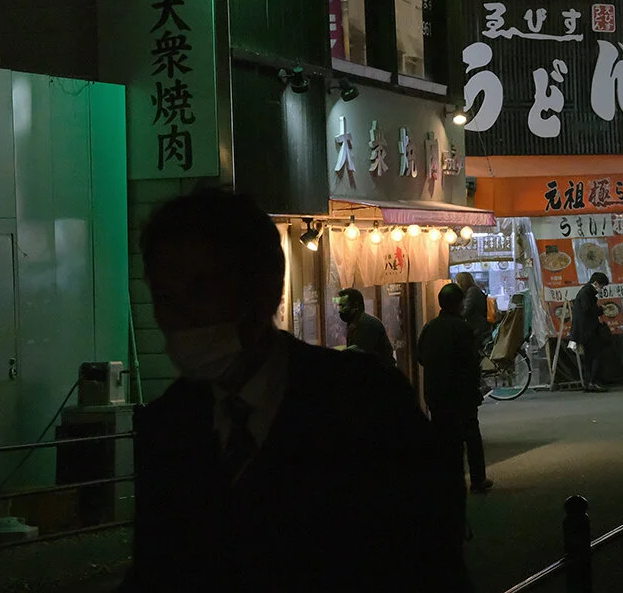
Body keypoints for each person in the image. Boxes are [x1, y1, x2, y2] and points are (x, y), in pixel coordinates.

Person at [122, 189, 465, 591]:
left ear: (265, 288)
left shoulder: (363, 401)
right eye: (164, 297)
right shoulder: (168, 424)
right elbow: (155, 568)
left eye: (199, 291)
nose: (180, 317)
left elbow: (430, 559)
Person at [420, 283, 492, 493]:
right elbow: (470, 363)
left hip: (436, 393)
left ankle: (446, 481)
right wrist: (475, 389)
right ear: (460, 303)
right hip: (461, 394)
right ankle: (477, 479)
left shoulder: (430, 327)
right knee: (470, 435)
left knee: (443, 437)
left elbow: (420, 356)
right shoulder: (462, 328)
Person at [569, 272, 611, 392]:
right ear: (596, 283)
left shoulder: (586, 291)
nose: (601, 289)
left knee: (589, 358)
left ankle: (589, 383)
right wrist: (601, 309)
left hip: (584, 330)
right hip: (587, 330)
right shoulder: (586, 293)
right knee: (596, 355)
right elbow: (588, 311)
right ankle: (593, 382)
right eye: (601, 286)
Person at [336, 288, 394, 367]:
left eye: (343, 306)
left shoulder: (367, 324)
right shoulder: (354, 324)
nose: (340, 310)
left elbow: (358, 352)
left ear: (355, 306)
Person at [454, 272, 492, 345]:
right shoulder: (474, 290)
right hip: (479, 326)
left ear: (462, 282)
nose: (457, 284)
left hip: (477, 328)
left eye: (457, 282)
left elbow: (466, 310)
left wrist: (454, 318)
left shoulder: (472, 291)